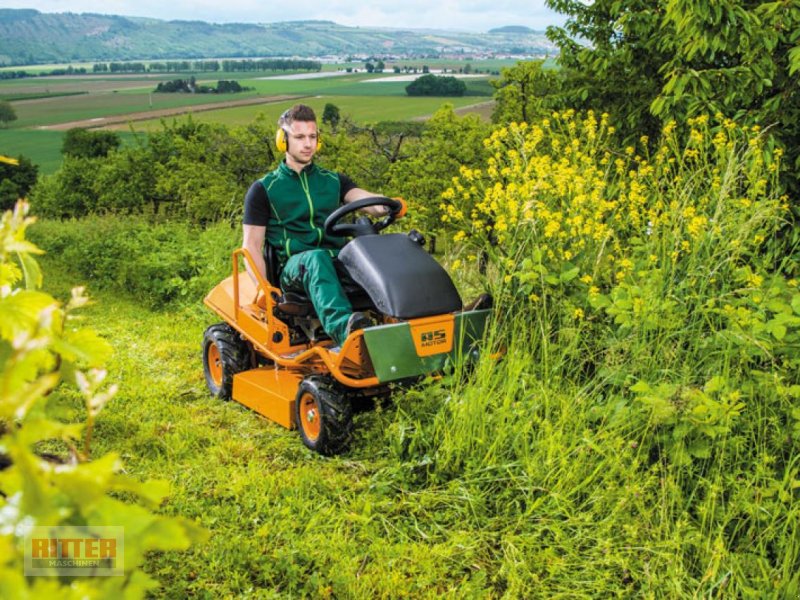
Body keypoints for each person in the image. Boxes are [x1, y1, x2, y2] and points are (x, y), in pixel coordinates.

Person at [242, 104, 394, 346]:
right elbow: (251, 246)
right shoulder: (264, 189)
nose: (308, 144)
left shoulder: (333, 180)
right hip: (296, 267)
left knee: (380, 249)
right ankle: (346, 331)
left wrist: (386, 205)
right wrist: (264, 289)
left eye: (312, 137)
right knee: (316, 258)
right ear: (283, 141)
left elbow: (366, 201)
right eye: (299, 137)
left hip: (337, 258)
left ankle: (418, 318)